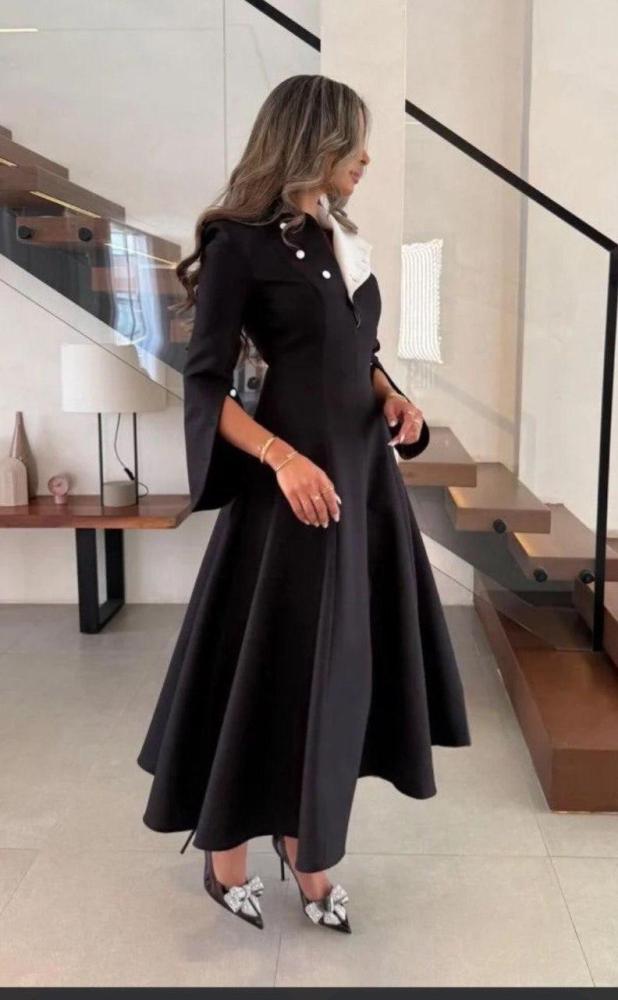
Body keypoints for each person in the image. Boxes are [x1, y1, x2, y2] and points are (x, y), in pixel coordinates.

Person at [137, 73, 471, 934]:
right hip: (291, 496)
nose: (366, 159)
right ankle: (226, 852)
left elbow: (356, 350)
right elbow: (206, 385)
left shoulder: (339, 237)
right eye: (353, 141)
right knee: (271, 671)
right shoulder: (240, 244)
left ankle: (304, 842)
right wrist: (281, 458)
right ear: (311, 140)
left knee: (339, 677)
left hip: (361, 489)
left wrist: (392, 395)